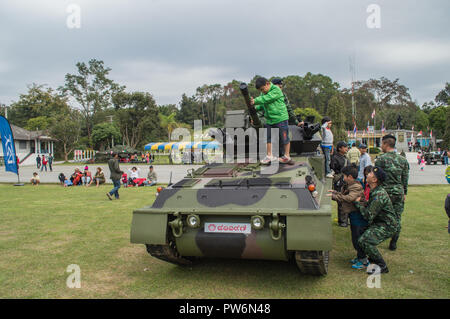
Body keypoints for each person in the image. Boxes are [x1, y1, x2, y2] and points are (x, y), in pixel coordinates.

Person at [355, 167, 398, 274]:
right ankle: (372, 259)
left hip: (387, 226)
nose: (367, 174)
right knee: (361, 237)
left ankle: (382, 266)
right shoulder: (376, 191)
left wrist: (357, 204)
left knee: (365, 241)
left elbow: (368, 215)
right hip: (380, 223)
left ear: (374, 180)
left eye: (370, 174)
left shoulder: (379, 195)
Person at [327, 165, 366, 269]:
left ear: (350, 177)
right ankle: (359, 257)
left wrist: (335, 196)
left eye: (344, 176)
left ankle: (363, 260)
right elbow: (344, 194)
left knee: (358, 239)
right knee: (355, 238)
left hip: (358, 218)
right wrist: (335, 192)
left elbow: (350, 198)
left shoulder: (356, 186)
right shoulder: (351, 184)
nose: (343, 178)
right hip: (354, 216)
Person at [375, 134, 410, 251]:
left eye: (381, 144)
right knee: (397, 218)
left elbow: (377, 178)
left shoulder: (380, 159)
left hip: (384, 193)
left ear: (386, 144)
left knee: (380, 217)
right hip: (398, 193)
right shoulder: (403, 160)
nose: (381, 146)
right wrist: (404, 193)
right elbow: (405, 178)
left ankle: (375, 239)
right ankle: (393, 242)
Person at [250, 77, 292, 164]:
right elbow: (262, 105)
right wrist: (254, 108)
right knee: (268, 138)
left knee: (284, 137)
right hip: (269, 119)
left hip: (280, 118)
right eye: (260, 90)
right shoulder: (263, 93)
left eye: (263, 89)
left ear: (268, 84)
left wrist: (255, 101)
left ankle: (287, 156)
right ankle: (269, 156)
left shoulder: (276, 90)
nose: (262, 91)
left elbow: (267, 99)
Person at [330, 141, 349, 227]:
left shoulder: (344, 157)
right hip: (339, 181)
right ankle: (342, 221)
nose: (346, 149)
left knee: (346, 200)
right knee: (341, 201)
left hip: (345, 181)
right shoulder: (335, 158)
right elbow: (333, 168)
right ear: (340, 148)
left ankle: (345, 219)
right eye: (345, 147)